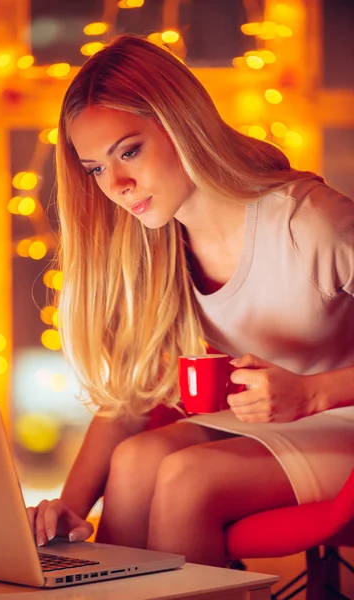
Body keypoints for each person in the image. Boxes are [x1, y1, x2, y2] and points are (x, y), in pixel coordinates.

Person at [27, 34, 354, 567]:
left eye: (128, 151)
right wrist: (68, 506)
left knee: (188, 479)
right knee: (133, 461)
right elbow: (131, 400)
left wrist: (313, 395)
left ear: (182, 124)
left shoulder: (310, 223)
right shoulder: (156, 241)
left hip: (342, 417)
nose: (118, 185)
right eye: (96, 169)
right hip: (279, 425)